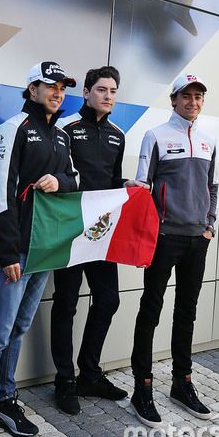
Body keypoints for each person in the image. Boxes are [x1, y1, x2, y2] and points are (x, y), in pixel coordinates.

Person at [0, 61, 78, 437]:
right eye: (50, 85)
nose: (57, 92)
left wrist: (59, 181)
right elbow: (1, 192)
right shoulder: (12, 128)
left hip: (45, 248)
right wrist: (8, 250)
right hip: (14, 251)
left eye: (62, 87)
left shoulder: (61, 135)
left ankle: (4, 398)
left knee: (18, 328)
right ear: (32, 90)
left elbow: (75, 179)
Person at [51, 65, 147, 414]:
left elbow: (110, 181)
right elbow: (59, 177)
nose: (108, 96)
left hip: (101, 233)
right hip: (69, 230)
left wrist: (125, 185)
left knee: (108, 300)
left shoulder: (118, 135)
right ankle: (64, 380)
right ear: (86, 92)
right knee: (66, 304)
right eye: (102, 90)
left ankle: (89, 374)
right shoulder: (65, 127)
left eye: (113, 91)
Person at [130, 72, 218, 426]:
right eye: (186, 96)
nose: (193, 102)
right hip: (164, 239)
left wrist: (210, 226)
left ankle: (182, 383)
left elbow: (212, 187)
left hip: (197, 240)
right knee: (150, 311)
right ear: (174, 100)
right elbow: (141, 188)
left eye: (198, 96)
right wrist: (146, 236)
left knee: (186, 313)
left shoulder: (209, 141)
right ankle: (142, 387)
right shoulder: (155, 136)